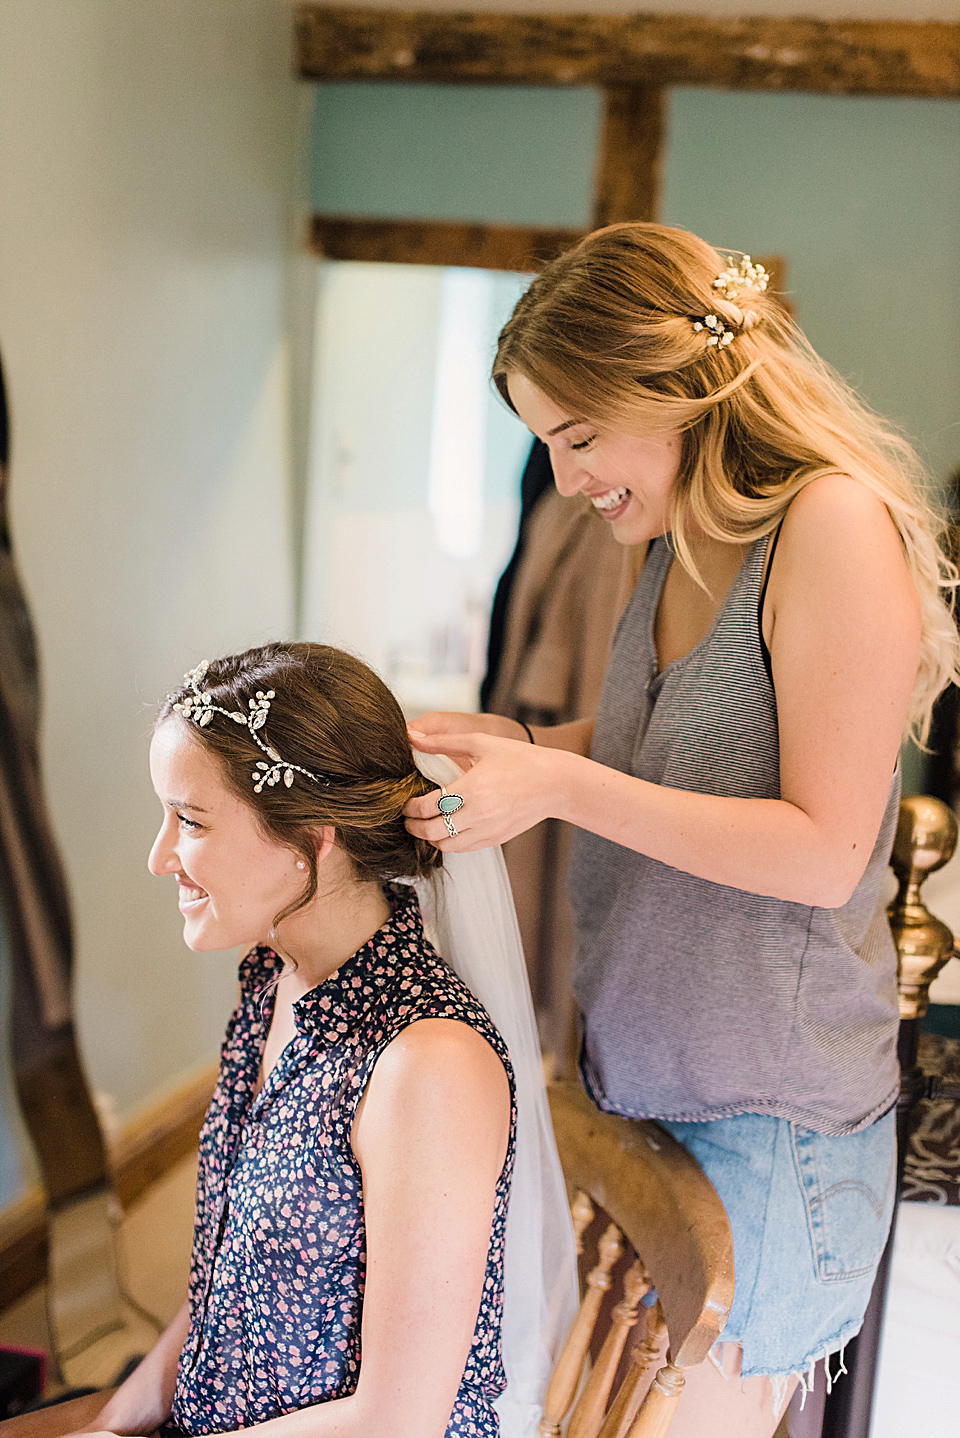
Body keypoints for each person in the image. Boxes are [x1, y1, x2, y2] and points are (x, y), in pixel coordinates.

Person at [403, 222, 960, 1437]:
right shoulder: (673, 538)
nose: (563, 478)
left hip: (769, 1129)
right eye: (548, 442)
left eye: (581, 435)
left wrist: (556, 790)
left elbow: (820, 845)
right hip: (650, 1080)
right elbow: (670, 744)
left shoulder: (830, 526)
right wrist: (518, 747)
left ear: (677, 387)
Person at [74, 643, 575, 1438]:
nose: (158, 857)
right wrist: (108, 1424)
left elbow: (396, 1421)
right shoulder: (274, 975)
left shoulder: (425, 1065)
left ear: (313, 837)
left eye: (191, 821)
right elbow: (225, 1285)